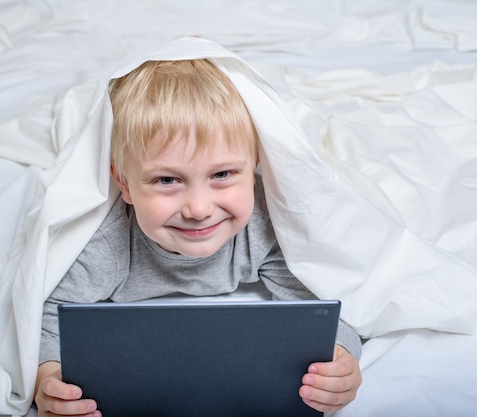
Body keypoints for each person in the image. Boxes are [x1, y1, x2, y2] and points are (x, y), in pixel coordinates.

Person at [34, 58, 362, 417]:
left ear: (254, 166)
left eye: (222, 173)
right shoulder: (106, 247)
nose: (199, 209)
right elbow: (43, 317)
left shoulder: (267, 226)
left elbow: (327, 301)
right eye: (167, 180)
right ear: (124, 184)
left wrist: (340, 361)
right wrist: (46, 377)